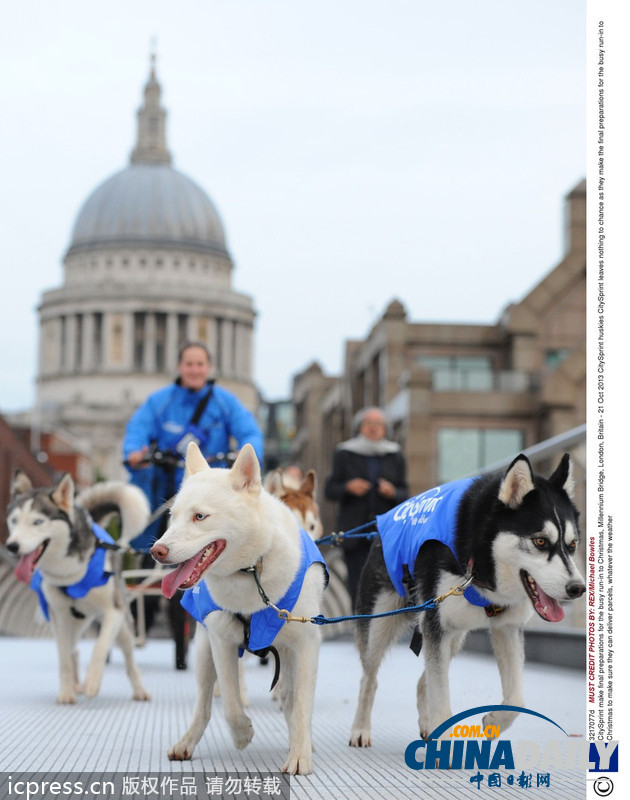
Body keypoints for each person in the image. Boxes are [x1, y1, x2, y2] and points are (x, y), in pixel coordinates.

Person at [122, 341, 264, 668]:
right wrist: (135, 450)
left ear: (208, 368)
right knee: (154, 552)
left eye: (200, 364)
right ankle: (152, 621)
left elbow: (250, 434)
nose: (195, 369)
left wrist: (245, 454)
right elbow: (138, 430)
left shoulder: (225, 402)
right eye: (189, 364)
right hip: (168, 491)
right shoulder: (160, 402)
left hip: (207, 495)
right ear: (180, 367)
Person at [325, 407, 408, 610]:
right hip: (355, 532)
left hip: (384, 532)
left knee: (382, 582)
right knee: (357, 581)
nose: (373, 427)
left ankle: (380, 624)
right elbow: (330, 489)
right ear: (359, 428)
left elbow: (404, 492)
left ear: (385, 429)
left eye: (378, 424)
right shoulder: (345, 452)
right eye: (368, 423)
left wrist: (392, 492)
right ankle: (359, 624)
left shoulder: (395, 454)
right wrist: (348, 487)